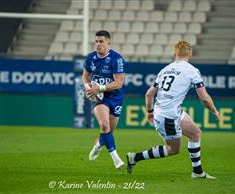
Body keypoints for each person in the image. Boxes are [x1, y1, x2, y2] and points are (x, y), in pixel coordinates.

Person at [126, 40, 219, 178]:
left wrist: (150, 112)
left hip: (166, 111)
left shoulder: (165, 69)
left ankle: (197, 172)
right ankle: (135, 157)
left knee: (195, 134)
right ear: (190, 54)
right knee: (173, 149)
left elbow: (149, 94)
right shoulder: (192, 71)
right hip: (168, 116)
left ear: (175, 53)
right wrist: (214, 110)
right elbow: (204, 98)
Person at [82, 30, 126, 169]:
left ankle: (98, 143)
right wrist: (88, 86)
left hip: (115, 97)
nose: (98, 44)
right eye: (96, 41)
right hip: (99, 98)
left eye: (101, 41)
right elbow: (85, 76)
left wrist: (99, 87)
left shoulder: (116, 59)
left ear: (108, 42)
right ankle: (116, 159)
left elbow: (119, 83)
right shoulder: (90, 58)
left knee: (108, 132)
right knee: (104, 126)